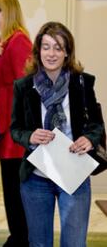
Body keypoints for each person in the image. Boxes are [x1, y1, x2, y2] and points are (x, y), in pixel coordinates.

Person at [11, 21, 104, 247]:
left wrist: (90, 139)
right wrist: (29, 137)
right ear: (38, 51)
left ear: (67, 53)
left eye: (58, 47)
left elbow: (96, 124)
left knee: (74, 243)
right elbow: (15, 129)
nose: (51, 53)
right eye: (46, 47)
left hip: (74, 173)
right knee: (39, 243)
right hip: (36, 178)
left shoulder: (83, 83)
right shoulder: (23, 86)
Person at [0, 0, 31, 247]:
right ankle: (19, 237)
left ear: (5, 13)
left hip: (15, 134)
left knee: (16, 192)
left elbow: (27, 88)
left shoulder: (18, 41)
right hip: (6, 131)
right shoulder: (6, 41)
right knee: (12, 190)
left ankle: (20, 239)